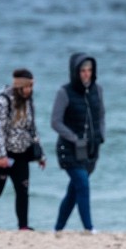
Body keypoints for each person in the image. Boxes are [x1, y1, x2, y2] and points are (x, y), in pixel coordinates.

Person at [0, 68, 45, 230]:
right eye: (25, 87)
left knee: (23, 190)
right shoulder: (3, 101)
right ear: (18, 86)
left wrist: (40, 154)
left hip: (21, 153)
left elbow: (32, 128)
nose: (28, 90)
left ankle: (23, 226)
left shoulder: (29, 101)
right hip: (0, 154)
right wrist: (0, 156)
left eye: (31, 87)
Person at [51, 53, 105, 232]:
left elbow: (101, 115)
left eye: (89, 70)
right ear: (75, 72)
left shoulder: (98, 90)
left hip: (91, 150)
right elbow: (55, 122)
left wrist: (100, 135)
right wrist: (74, 138)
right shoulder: (64, 92)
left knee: (74, 191)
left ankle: (58, 229)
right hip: (69, 149)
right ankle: (89, 228)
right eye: (82, 70)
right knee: (82, 184)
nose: (86, 74)